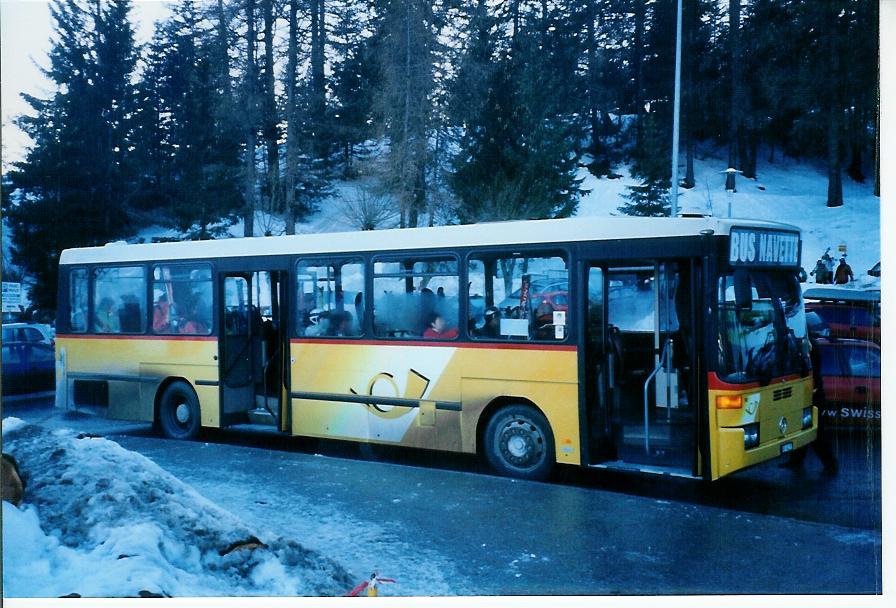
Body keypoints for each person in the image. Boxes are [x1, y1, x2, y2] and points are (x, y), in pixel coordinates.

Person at [780, 336, 838, 475]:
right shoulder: (808, 343)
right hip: (809, 392)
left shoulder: (808, 346)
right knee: (803, 427)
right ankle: (796, 460)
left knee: (816, 432)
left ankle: (830, 464)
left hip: (812, 394)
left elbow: (809, 369)